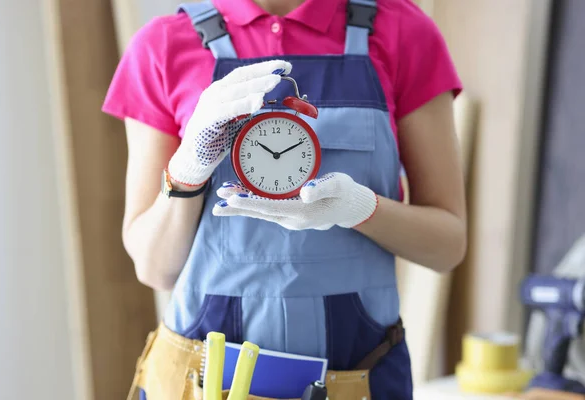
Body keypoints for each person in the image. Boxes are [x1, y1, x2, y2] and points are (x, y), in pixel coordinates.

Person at [102, 0, 466, 398]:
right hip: (204, 382)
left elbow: (446, 247)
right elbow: (155, 270)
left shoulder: (402, 31)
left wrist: (360, 208)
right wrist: (189, 168)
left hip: (362, 376)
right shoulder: (163, 45)